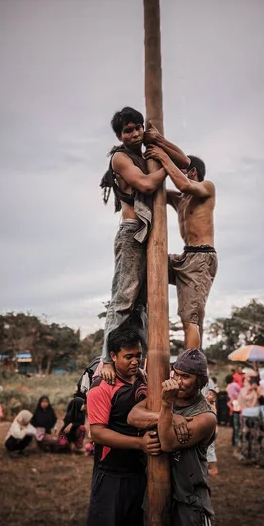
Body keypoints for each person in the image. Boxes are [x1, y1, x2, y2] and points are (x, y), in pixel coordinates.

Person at [128, 348, 222, 526]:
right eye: (176, 374)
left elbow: (169, 442)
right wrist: (170, 415)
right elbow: (133, 416)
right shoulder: (165, 399)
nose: (178, 381)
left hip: (191, 499)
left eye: (185, 377)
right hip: (156, 493)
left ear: (201, 382)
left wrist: (166, 407)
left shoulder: (206, 416)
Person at [98, 107, 168, 383]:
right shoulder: (120, 158)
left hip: (146, 235)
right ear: (119, 134)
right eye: (129, 129)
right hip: (130, 234)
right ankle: (106, 358)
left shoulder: (143, 155)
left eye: (139, 127)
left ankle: (148, 363)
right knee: (124, 299)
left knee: (142, 305)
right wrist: (167, 165)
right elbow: (147, 185)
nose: (136, 133)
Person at [84, 328, 161, 526]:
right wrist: (140, 443)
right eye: (128, 356)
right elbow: (97, 432)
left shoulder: (144, 379)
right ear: (113, 356)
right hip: (111, 477)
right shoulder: (101, 387)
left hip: (141, 476)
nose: (135, 360)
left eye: (138, 355)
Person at [144, 139, 217, 350]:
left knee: (189, 318)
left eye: (180, 169)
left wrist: (163, 157)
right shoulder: (179, 199)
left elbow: (183, 183)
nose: (173, 172)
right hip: (185, 257)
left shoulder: (206, 188)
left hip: (202, 258)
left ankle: (189, 368)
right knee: (148, 262)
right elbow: (151, 189)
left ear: (192, 172)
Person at [237, 372, 264, 468]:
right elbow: (241, 402)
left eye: (250, 377)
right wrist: (250, 389)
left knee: (262, 438)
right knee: (249, 438)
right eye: (247, 378)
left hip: (259, 416)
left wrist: (257, 391)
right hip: (247, 416)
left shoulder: (261, 389)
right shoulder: (243, 390)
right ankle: (250, 458)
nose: (248, 380)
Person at [225, 374, 241, 452]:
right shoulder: (235, 384)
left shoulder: (227, 387)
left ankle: (234, 441)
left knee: (235, 425)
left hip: (232, 405)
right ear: (233, 379)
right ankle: (238, 441)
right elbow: (240, 391)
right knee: (239, 424)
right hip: (238, 403)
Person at [205, 388, 219, 477]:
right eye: (206, 394)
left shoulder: (211, 406)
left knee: (210, 448)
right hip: (210, 429)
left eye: (209, 395)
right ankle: (210, 468)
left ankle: (213, 469)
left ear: (214, 399)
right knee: (208, 448)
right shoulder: (209, 405)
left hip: (212, 430)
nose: (207, 396)